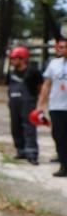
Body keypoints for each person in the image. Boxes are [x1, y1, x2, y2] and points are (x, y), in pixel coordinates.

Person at [6, 46, 42, 164]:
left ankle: (32, 153)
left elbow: (40, 88)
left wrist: (39, 103)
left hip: (28, 103)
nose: (12, 61)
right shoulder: (11, 73)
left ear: (23, 59)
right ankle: (21, 150)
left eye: (14, 58)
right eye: (11, 58)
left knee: (29, 127)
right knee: (15, 127)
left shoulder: (33, 72)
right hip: (14, 103)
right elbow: (9, 87)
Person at [37, 38, 67, 177]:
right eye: (58, 47)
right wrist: (40, 104)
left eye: (63, 47)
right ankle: (63, 162)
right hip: (56, 106)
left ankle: (64, 164)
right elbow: (47, 84)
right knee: (58, 135)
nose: (60, 49)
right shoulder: (54, 64)